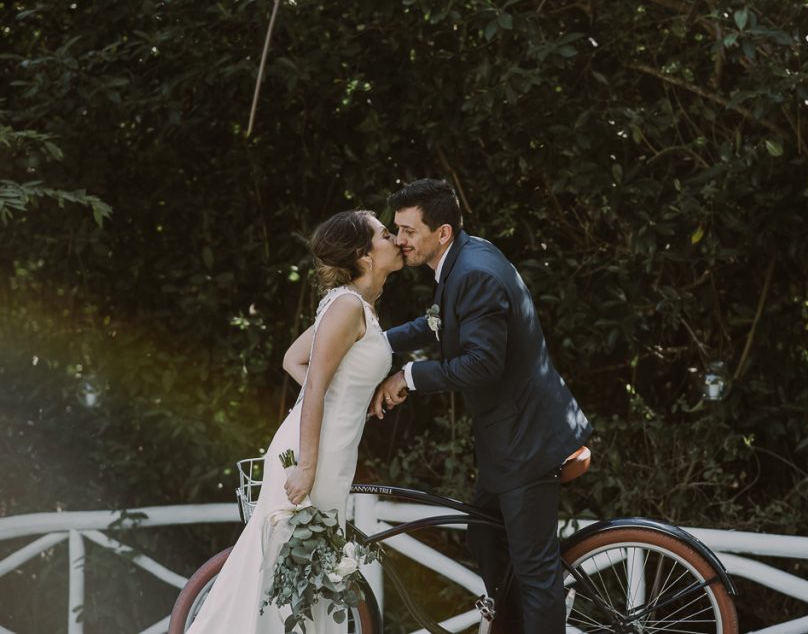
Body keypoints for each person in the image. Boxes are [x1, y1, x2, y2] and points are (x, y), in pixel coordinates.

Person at [374, 179, 592, 634]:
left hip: (526, 441)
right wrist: (369, 345)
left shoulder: (472, 272)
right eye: (396, 229)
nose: (399, 240)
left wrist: (408, 377)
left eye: (409, 231)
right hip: (505, 437)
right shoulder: (462, 260)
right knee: (486, 538)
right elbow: (436, 323)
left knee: (535, 573)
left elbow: (480, 365)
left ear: (443, 232)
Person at [187, 210, 403, 633]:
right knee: (291, 582)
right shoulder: (345, 306)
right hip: (311, 459)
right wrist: (305, 465)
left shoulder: (356, 306)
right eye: (384, 233)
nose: (394, 238)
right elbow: (316, 387)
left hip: (329, 454)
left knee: (310, 583)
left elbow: (295, 361)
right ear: (363, 254)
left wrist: (353, 401)